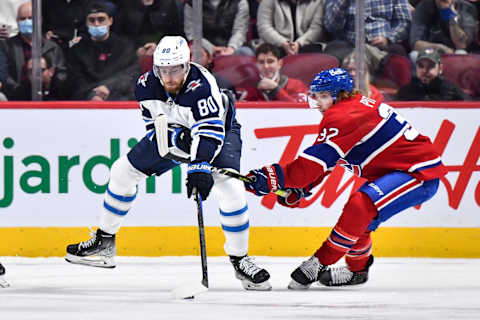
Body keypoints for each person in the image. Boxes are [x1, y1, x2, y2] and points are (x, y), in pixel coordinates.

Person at [65, 35, 272, 291]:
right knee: (122, 171)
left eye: (175, 70)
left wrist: (199, 166)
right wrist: (175, 138)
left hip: (220, 131)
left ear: (186, 66)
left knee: (231, 189)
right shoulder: (145, 85)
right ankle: (104, 241)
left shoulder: (202, 85)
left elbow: (209, 132)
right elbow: (154, 126)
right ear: (155, 69)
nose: (170, 77)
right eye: (164, 70)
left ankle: (240, 260)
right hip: (175, 133)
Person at [243, 67, 447, 288]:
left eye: (323, 96)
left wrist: (272, 178)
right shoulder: (352, 106)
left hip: (417, 173)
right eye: (316, 96)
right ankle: (357, 272)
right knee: (361, 220)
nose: (318, 103)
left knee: (360, 205)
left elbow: (310, 166)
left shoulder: (343, 115)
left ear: (338, 94)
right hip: (399, 170)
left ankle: (318, 263)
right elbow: (330, 160)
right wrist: (302, 187)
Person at [67, 2, 139, 100]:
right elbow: (75, 81)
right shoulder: (77, 50)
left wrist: (108, 87)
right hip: (87, 99)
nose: (96, 24)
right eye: (92, 20)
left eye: (101, 19)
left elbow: (130, 74)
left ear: (110, 21)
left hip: (119, 97)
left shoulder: (124, 47)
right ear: (86, 23)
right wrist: (93, 94)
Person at [0, 1, 68, 100]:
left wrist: (49, 82)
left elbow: (62, 75)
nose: (26, 22)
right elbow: (5, 76)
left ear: (40, 20)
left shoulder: (53, 47)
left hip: (49, 98)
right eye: (22, 19)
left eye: (31, 18)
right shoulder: (6, 46)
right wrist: (18, 91)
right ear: (17, 21)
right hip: (16, 99)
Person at [409, 0, 479, 60]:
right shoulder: (424, 7)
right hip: (431, 52)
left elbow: (461, 45)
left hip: (457, 52)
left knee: (461, 54)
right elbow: (415, 43)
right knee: (414, 55)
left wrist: (451, 15)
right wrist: (441, 48)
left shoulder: (466, 8)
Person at [240, 42, 308, 101]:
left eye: (270, 61)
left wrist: (276, 89)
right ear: (256, 65)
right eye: (261, 62)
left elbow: (300, 111)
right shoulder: (250, 87)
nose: (266, 66)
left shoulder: (296, 85)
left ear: (280, 64)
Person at [183, 0, 254, 56]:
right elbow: (192, 33)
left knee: (246, 53)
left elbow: (240, 30)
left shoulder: (240, 2)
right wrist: (211, 48)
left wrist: (231, 48)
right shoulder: (192, 3)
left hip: (232, 47)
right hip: (203, 47)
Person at [256, 0, 325, 55]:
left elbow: (316, 29)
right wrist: (284, 43)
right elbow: (264, 27)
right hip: (276, 44)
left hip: (306, 44)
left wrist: (298, 44)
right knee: (269, 55)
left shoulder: (317, 2)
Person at [395, 48, 467, 100]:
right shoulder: (406, 91)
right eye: (421, 66)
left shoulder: (452, 92)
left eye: (431, 66)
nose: (425, 70)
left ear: (440, 68)